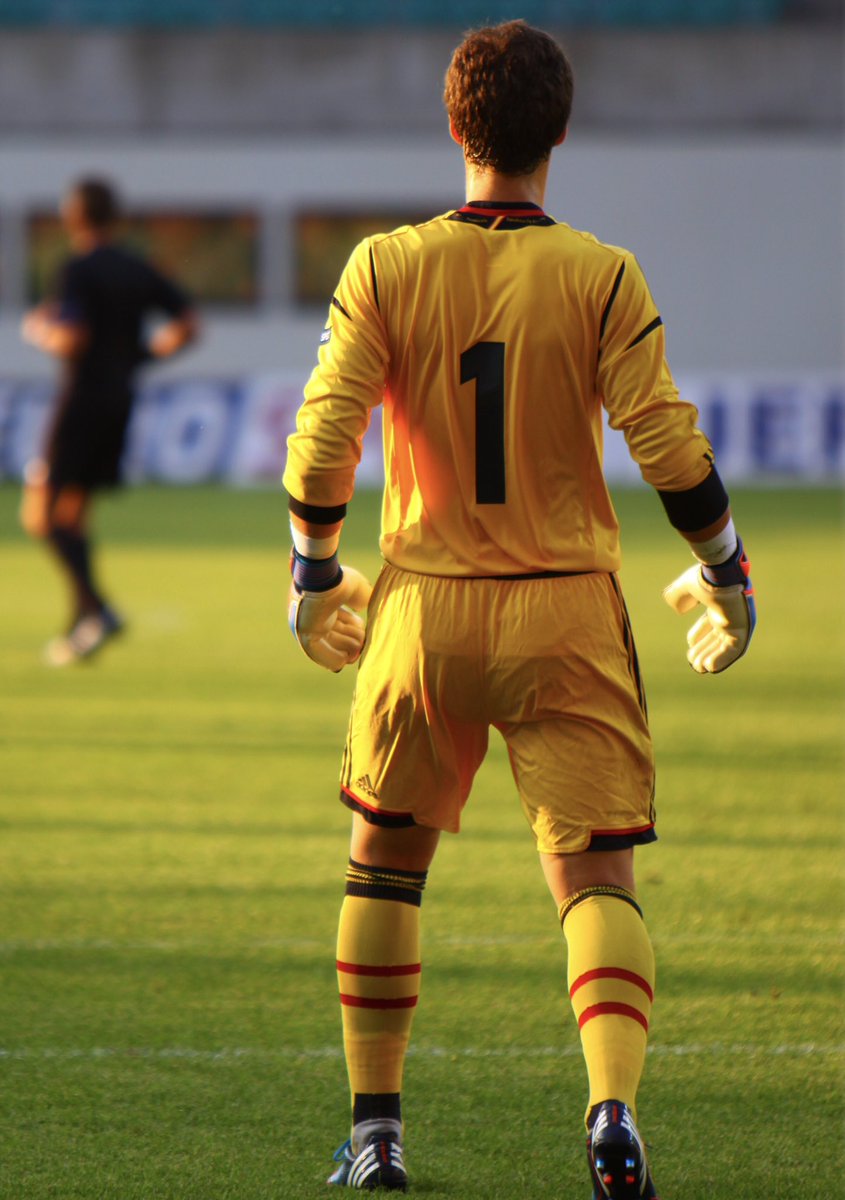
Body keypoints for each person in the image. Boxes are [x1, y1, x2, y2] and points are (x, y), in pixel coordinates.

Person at [283, 20, 756, 1198]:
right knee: (595, 884)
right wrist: (726, 569)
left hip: (424, 613)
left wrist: (310, 573)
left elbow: (322, 440)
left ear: (455, 127)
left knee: (383, 869)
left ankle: (378, 1136)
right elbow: (664, 442)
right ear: (558, 134)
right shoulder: (599, 273)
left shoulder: (385, 265)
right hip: (564, 615)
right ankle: (609, 1116)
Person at [20, 177, 200, 666]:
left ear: (73, 218)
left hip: (80, 401)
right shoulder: (136, 268)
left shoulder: (77, 269)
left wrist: (41, 330)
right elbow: (188, 324)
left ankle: (99, 608)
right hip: (120, 400)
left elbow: (72, 340)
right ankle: (82, 625)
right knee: (74, 515)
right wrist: (139, 356)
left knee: (40, 515)